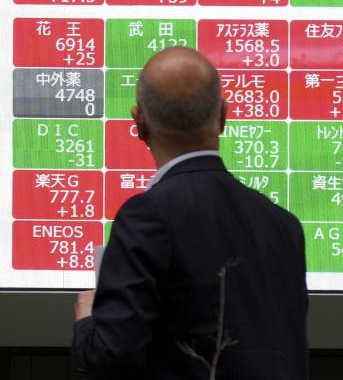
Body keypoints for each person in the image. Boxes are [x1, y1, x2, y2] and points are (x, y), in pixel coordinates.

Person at [72, 47, 308, 379]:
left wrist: (87, 323)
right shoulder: (284, 226)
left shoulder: (147, 217)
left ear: (139, 123)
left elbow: (112, 360)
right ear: (223, 117)